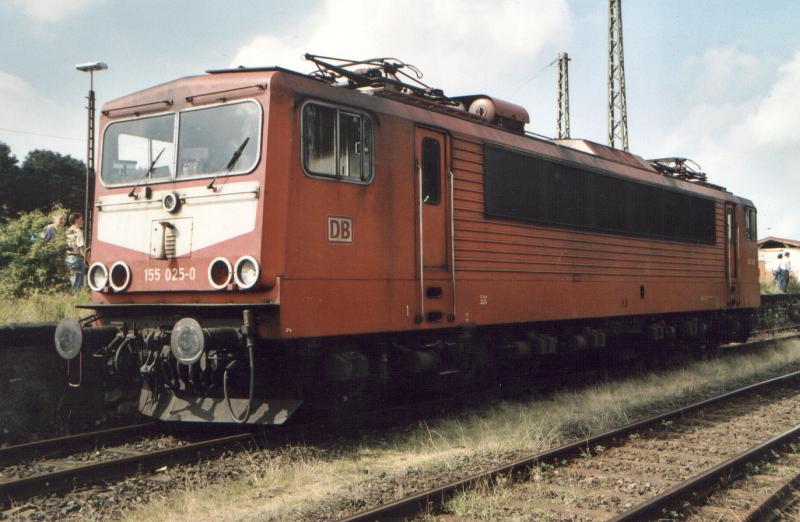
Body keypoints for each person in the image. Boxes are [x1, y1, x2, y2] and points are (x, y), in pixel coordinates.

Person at [65, 212, 86, 289]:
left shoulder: (67, 231)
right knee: (78, 280)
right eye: (81, 219)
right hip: (77, 257)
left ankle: (72, 296)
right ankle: (75, 296)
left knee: (72, 279)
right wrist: (86, 259)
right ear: (76, 220)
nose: (83, 220)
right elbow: (81, 247)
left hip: (68, 257)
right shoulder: (78, 231)